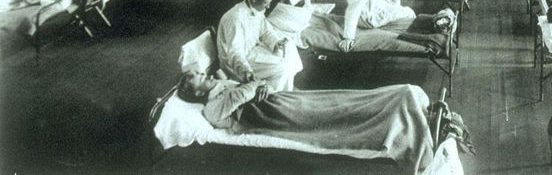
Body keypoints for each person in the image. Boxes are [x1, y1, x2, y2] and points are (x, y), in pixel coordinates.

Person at [176, 74, 435, 172]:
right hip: (271, 114)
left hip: (280, 100)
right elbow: (244, 93)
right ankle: (398, 115)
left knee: (338, 101)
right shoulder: (210, 108)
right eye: (199, 77)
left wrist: (259, 84)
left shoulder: (221, 89)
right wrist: (254, 84)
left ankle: (401, 98)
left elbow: (252, 86)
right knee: (335, 116)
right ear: (197, 93)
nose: (205, 74)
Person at [216, 0, 302, 91]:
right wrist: (246, 71)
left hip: (251, 51)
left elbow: (265, 32)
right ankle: (278, 97)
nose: (268, 7)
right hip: (237, 64)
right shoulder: (235, 18)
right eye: (266, 3)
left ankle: (282, 86)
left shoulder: (256, 9)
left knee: (289, 47)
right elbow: (234, 52)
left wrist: (276, 43)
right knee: (282, 67)